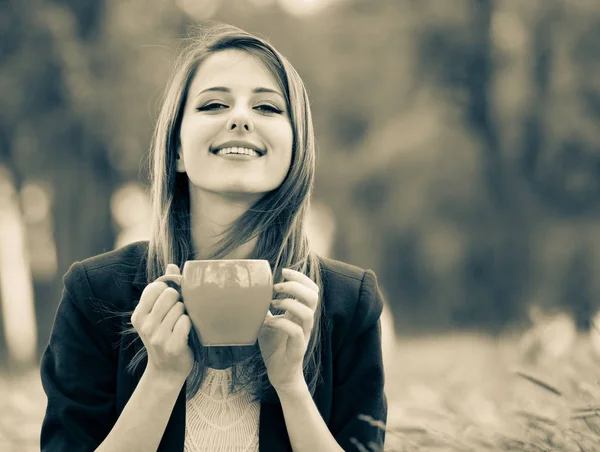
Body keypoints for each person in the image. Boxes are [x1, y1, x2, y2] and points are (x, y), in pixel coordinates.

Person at [40, 23, 387, 452]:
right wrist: (162, 377)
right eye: (214, 104)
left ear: (296, 149)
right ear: (178, 150)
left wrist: (291, 384)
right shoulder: (94, 294)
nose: (240, 117)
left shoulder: (347, 305)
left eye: (268, 108)